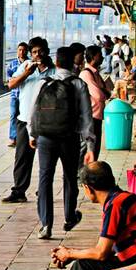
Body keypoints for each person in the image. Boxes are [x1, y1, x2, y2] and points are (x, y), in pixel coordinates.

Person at [22, 46, 95, 239]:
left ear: (56, 62)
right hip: (69, 137)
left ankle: (46, 224)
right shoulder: (79, 84)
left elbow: (33, 111)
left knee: (45, 178)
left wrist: (32, 134)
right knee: (70, 176)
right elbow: (87, 117)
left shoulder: (43, 82)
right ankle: (69, 217)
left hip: (45, 137)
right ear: (74, 62)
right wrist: (90, 145)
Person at [3, 36, 54, 204]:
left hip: (46, 122)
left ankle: (44, 189)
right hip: (24, 119)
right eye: (34, 52)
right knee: (22, 157)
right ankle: (19, 191)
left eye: (40, 51)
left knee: (46, 158)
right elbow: (11, 85)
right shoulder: (25, 67)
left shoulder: (54, 71)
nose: (37, 55)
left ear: (46, 51)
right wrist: (27, 73)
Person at [81, 45, 113, 160]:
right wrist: (105, 92)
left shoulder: (95, 73)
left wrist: (105, 92)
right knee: (90, 150)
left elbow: (106, 92)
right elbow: (99, 95)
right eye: (100, 55)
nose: (103, 58)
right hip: (91, 117)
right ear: (94, 57)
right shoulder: (86, 74)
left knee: (96, 148)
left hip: (97, 116)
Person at [5, 42, 30, 147]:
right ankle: (12, 137)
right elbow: (8, 78)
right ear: (17, 51)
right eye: (20, 50)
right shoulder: (12, 63)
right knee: (13, 115)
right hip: (15, 95)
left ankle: (25, 137)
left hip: (26, 95)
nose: (22, 52)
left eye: (24, 50)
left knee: (25, 116)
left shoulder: (30, 63)